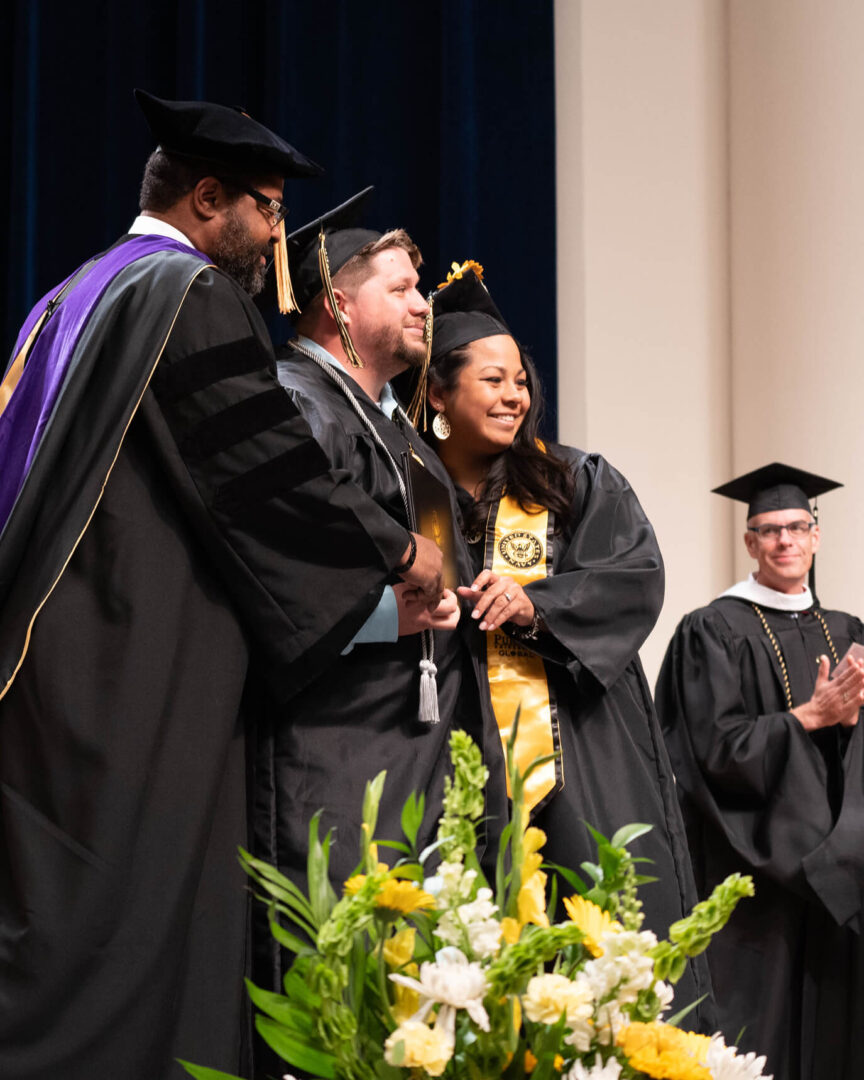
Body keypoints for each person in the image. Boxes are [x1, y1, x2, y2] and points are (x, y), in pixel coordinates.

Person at [0, 93, 442, 1080]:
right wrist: (397, 550)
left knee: (60, 926)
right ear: (210, 199)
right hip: (128, 658)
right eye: (269, 210)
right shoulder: (183, 292)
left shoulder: (70, 294)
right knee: (132, 924)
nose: (276, 234)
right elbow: (262, 471)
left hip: (48, 656)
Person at [421, 263, 711, 1022]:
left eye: (521, 379)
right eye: (492, 379)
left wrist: (535, 603)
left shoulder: (571, 481)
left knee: (605, 947)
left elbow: (635, 577)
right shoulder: (408, 493)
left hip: (581, 749)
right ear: (438, 394)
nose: (516, 394)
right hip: (453, 751)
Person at [260, 191, 505, 910]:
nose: (422, 304)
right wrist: (378, 617)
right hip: (332, 743)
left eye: (420, 288)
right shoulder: (294, 404)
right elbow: (270, 570)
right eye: (398, 289)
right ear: (337, 305)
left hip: (414, 743)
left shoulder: (398, 430)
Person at [656, 463, 864, 1080]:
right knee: (756, 1025)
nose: (784, 541)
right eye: (769, 530)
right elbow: (709, 752)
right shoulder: (712, 631)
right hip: (749, 866)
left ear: (816, 537)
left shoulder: (849, 632)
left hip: (839, 869)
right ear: (750, 543)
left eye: (797, 527)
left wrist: (849, 725)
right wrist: (805, 718)